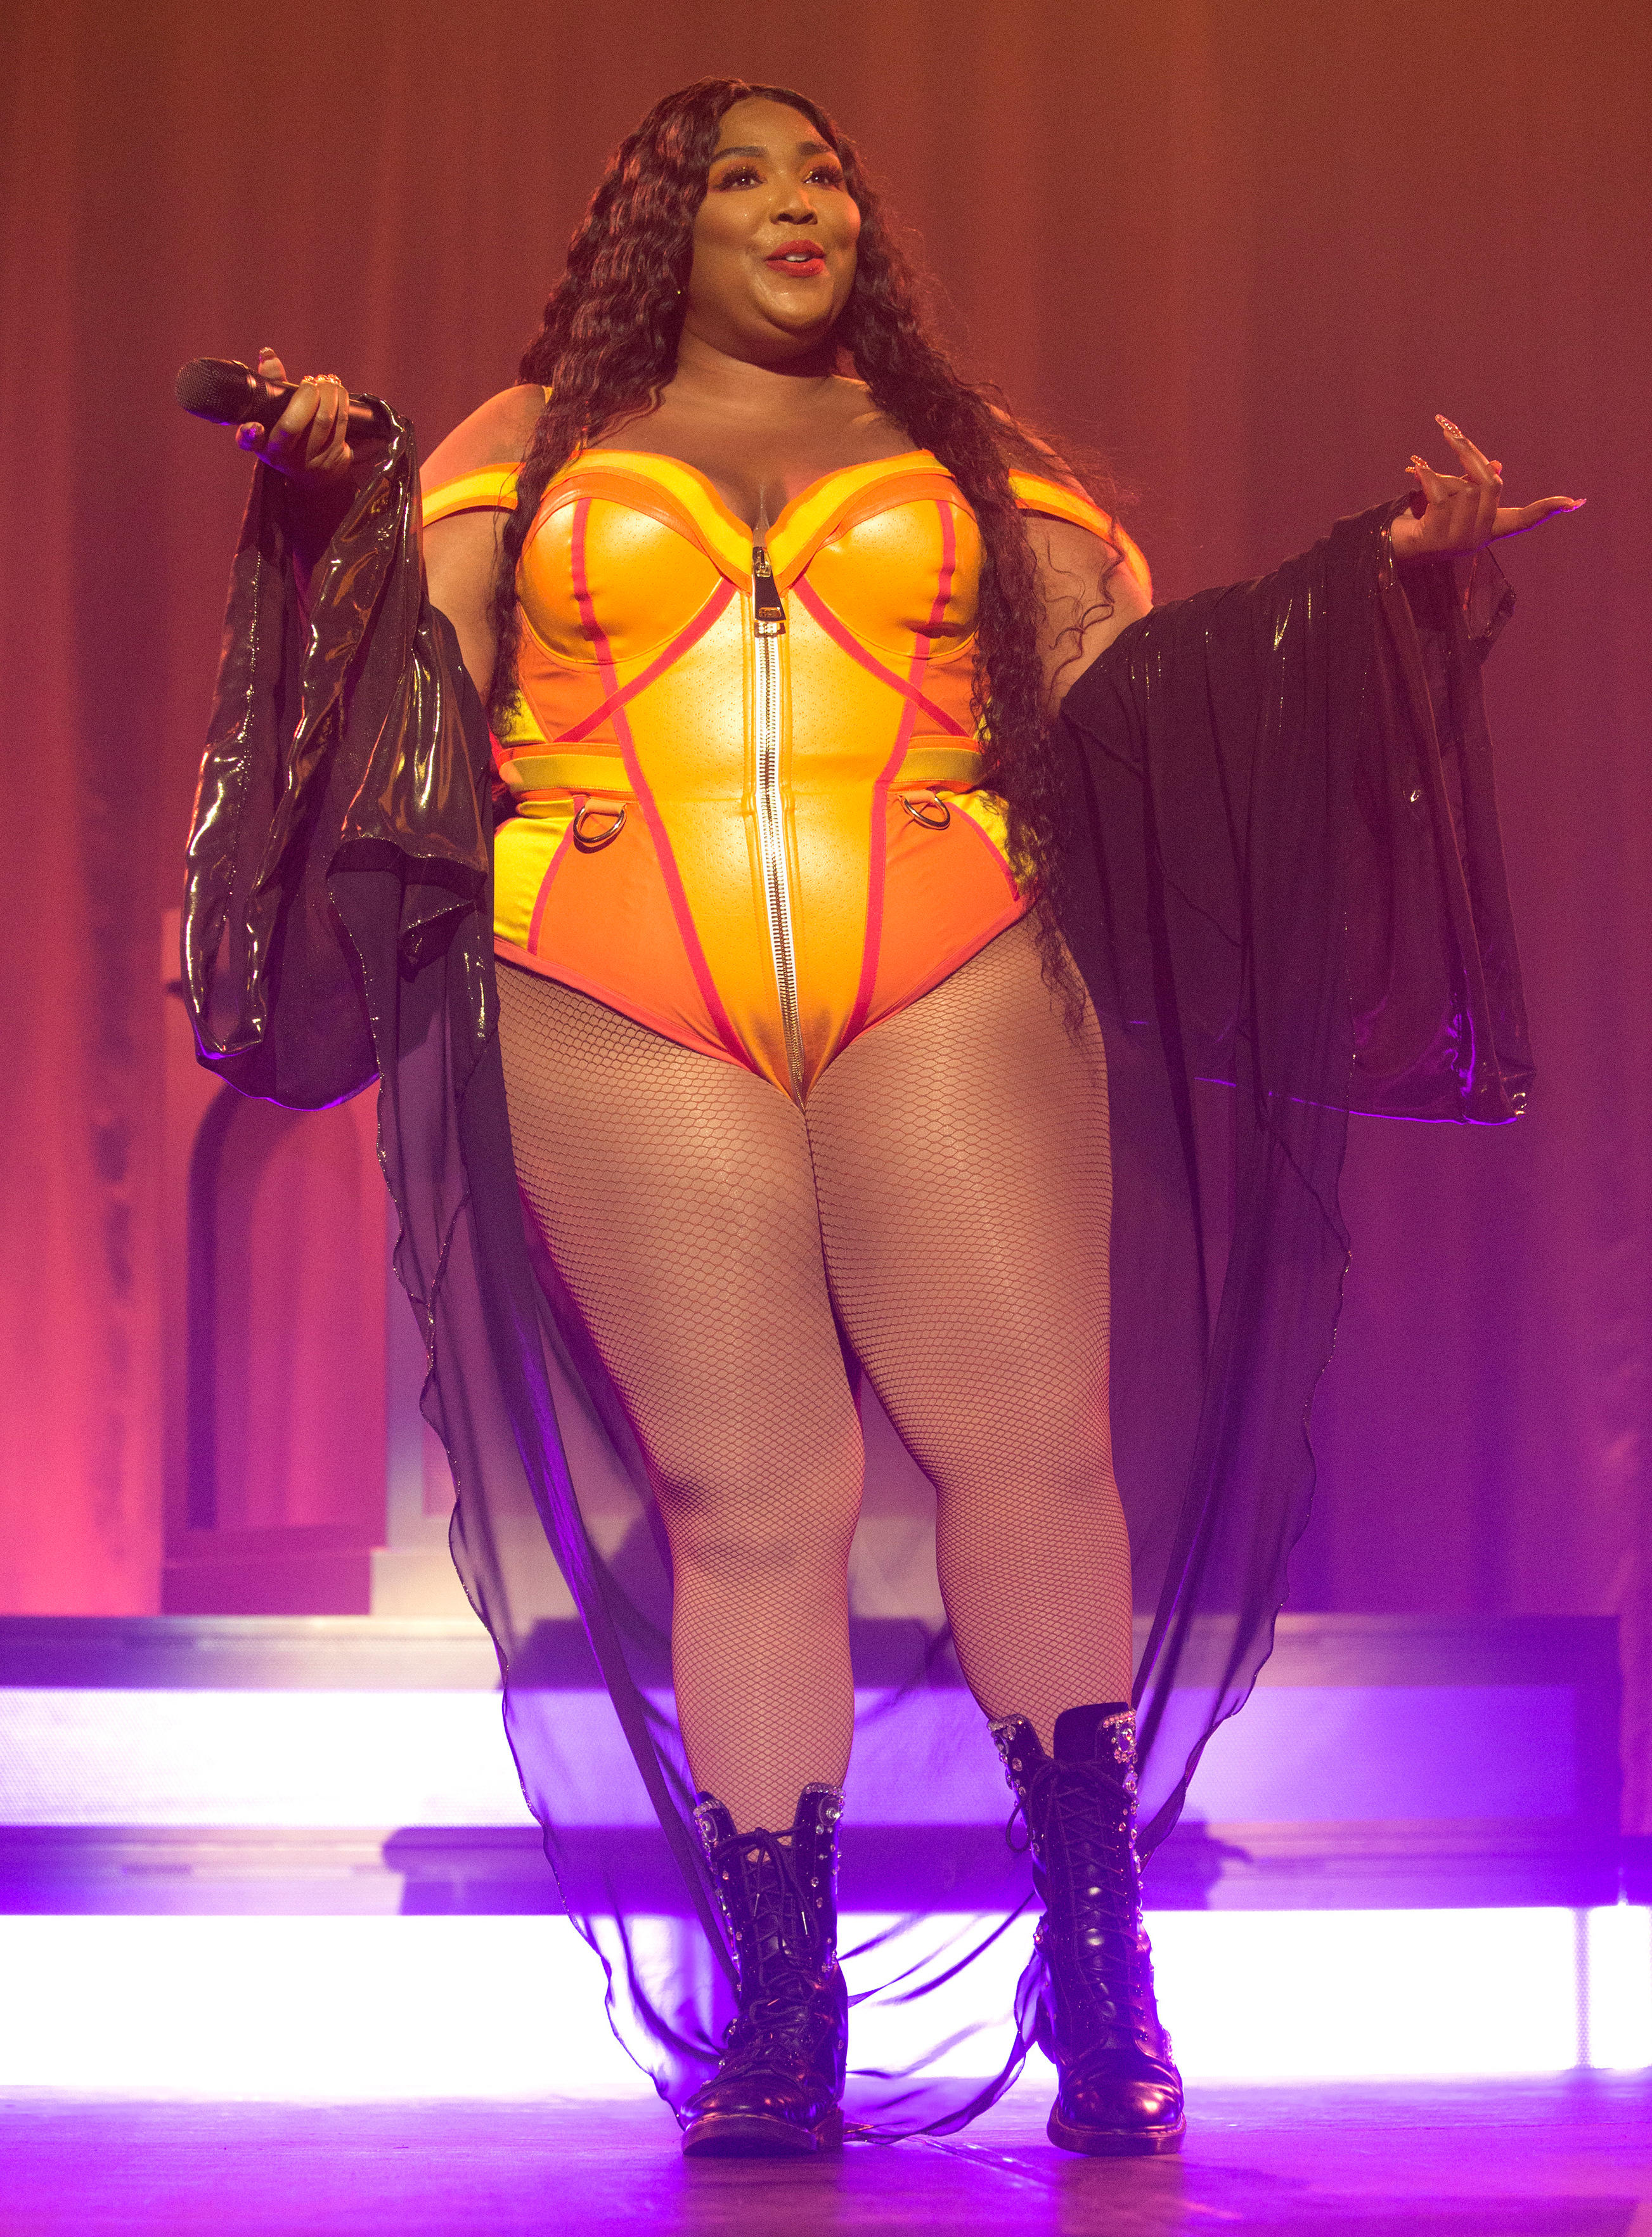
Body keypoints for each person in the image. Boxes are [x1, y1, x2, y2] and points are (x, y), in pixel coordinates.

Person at [184, 77, 1577, 2161]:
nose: (795, 201)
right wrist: (334, 510)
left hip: (946, 954)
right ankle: (783, 2006)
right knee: (759, 1498)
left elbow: (1132, 712)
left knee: (1034, 1448)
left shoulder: (975, 454)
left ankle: (1100, 1966)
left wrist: (1378, 594)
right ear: (657, 228)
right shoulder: (515, 448)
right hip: (610, 974)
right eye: (738, 175)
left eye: (821, 172)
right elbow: (409, 711)